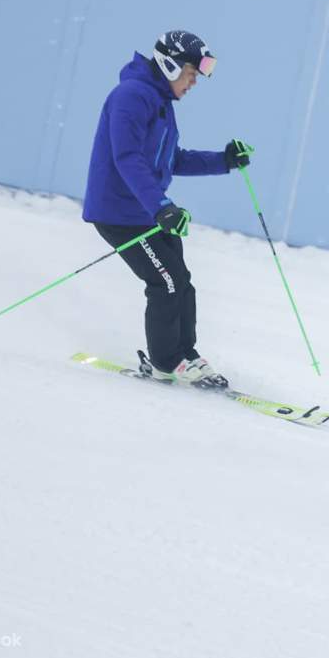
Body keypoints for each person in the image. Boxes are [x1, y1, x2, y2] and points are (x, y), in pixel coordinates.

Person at [81, 30, 252, 389]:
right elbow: (127, 159)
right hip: (120, 213)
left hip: (145, 211)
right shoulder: (131, 97)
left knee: (181, 280)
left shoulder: (160, 103)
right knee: (166, 281)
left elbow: (171, 159)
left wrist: (225, 160)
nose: (193, 83)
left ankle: (185, 354)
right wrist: (162, 206)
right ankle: (165, 362)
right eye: (191, 74)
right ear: (170, 64)